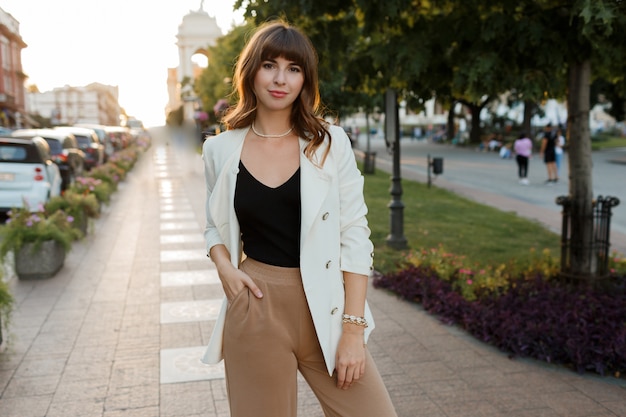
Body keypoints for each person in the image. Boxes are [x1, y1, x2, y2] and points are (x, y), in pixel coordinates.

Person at [200, 21, 397, 417]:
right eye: (270, 65)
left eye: (294, 68)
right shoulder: (220, 150)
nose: (280, 78)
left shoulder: (330, 143)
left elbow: (354, 234)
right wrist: (224, 266)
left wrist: (353, 330)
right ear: (251, 71)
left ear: (305, 78)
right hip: (256, 307)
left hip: (327, 306)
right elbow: (213, 225)